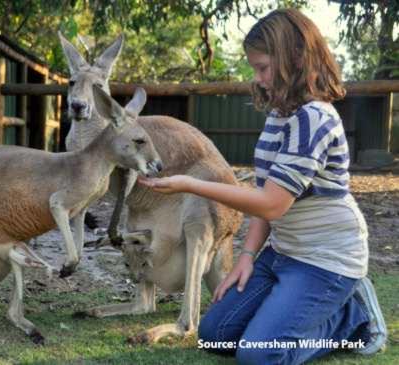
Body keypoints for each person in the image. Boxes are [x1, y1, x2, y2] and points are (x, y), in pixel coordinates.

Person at [137, 8, 387, 365]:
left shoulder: (314, 119)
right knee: (216, 338)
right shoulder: (279, 115)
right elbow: (264, 191)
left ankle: (352, 321)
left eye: (263, 68)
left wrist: (192, 185)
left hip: (326, 260)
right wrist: (247, 257)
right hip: (284, 253)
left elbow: (271, 204)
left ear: (295, 58)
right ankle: (294, 311)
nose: (258, 79)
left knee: (259, 356)